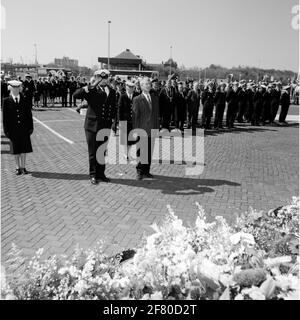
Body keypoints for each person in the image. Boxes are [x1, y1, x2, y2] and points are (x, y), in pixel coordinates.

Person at [73, 69, 113, 185]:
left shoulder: (112, 91)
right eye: (101, 78)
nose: (103, 80)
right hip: (92, 126)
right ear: (96, 77)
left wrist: (114, 123)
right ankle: (93, 174)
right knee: (93, 151)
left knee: (102, 151)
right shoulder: (91, 90)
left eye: (105, 78)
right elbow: (76, 95)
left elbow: (113, 108)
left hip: (105, 126)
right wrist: (90, 86)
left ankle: (101, 174)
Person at [2, 80, 34, 175]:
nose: (16, 90)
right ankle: (17, 167)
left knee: (24, 148)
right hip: (13, 129)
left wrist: (30, 128)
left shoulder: (25, 99)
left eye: (17, 88)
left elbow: (29, 115)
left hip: (24, 129)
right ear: (10, 88)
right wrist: (6, 130)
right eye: (13, 88)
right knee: (16, 149)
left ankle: (23, 167)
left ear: (20, 88)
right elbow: (5, 118)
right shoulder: (6, 101)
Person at [132, 77, 160, 180]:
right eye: (146, 84)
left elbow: (157, 115)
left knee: (149, 152)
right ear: (142, 86)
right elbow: (135, 117)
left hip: (152, 130)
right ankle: (140, 171)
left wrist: (157, 128)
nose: (149, 85)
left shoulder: (155, 98)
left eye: (149, 84)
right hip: (142, 130)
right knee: (142, 152)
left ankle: (147, 171)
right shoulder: (137, 99)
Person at [118, 80, 139, 160]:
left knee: (131, 139)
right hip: (125, 120)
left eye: (132, 87)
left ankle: (128, 153)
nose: (130, 89)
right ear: (126, 87)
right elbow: (119, 109)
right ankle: (125, 153)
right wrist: (120, 122)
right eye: (129, 87)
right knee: (125, 138)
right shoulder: (122, 96)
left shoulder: (137, 95)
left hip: (133, 121)